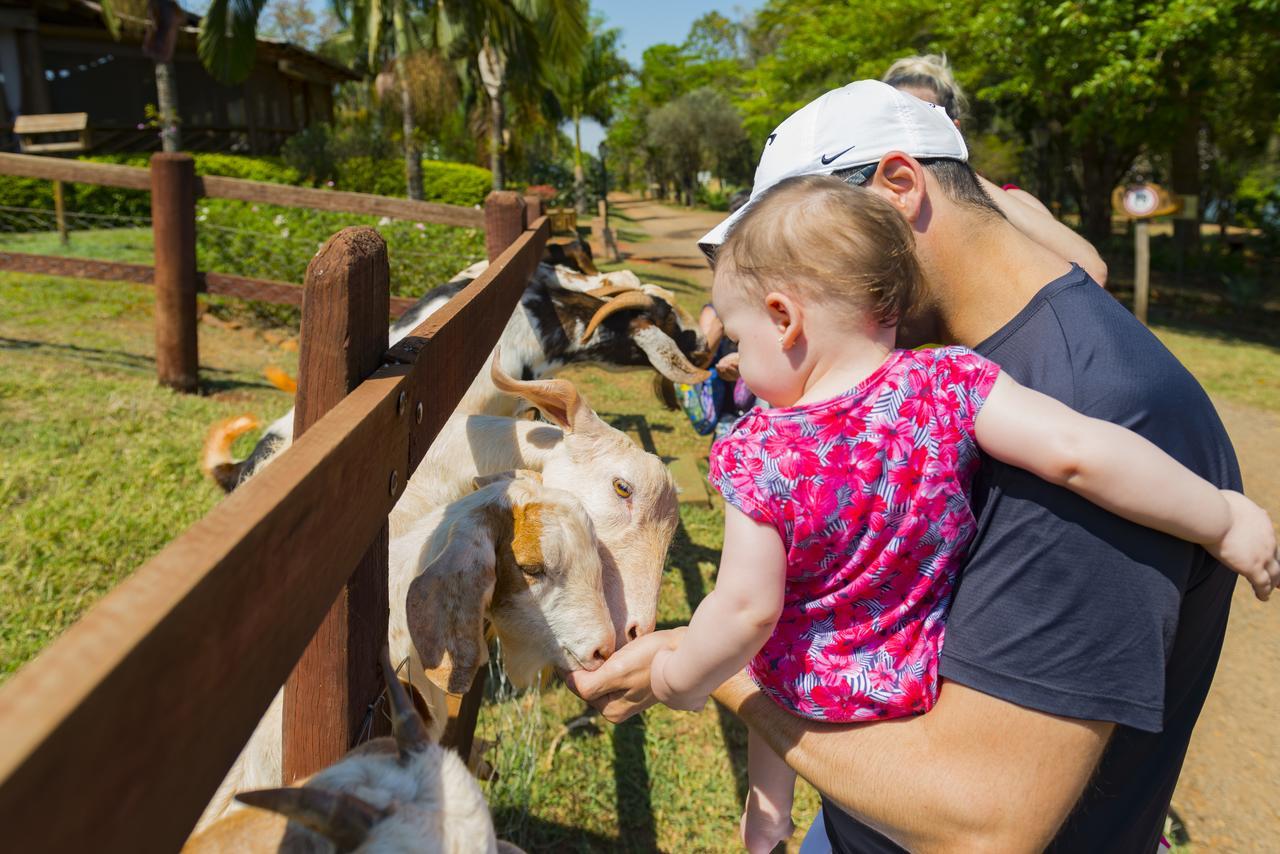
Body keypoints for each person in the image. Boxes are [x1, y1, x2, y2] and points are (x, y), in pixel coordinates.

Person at [563, 80, 1280, 853]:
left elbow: (985, 823)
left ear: (899, 188)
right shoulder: (963, 379)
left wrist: (706, 671)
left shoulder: (1097, 398)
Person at [883, 54, 1110, 287]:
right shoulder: (864, 203)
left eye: (924, 119)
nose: (906, 136)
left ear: (954, 129)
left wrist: (960, 174)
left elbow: (1091, 270)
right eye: (890, 120)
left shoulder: (1010, 200)